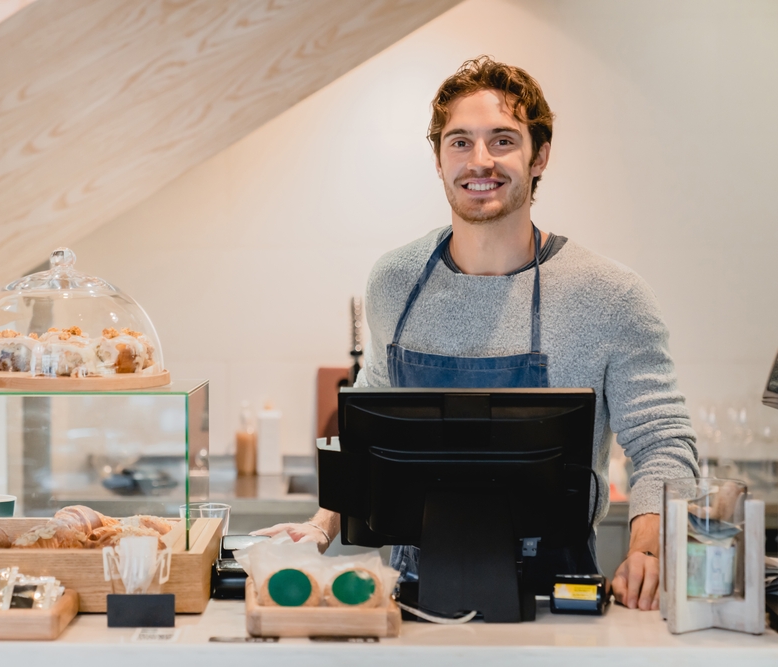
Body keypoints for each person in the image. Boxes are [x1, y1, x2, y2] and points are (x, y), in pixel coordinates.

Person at [254, 56, 698, 612]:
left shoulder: (609, 295)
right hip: (411, 597)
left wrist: (649, 551)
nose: (479, 161)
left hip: (553, 598)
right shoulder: (396, 281)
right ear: (438, 159)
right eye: (460, 141)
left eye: (503, 140)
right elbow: (373, 429)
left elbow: (662, 441)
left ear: (540, 156)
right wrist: (320, 527)